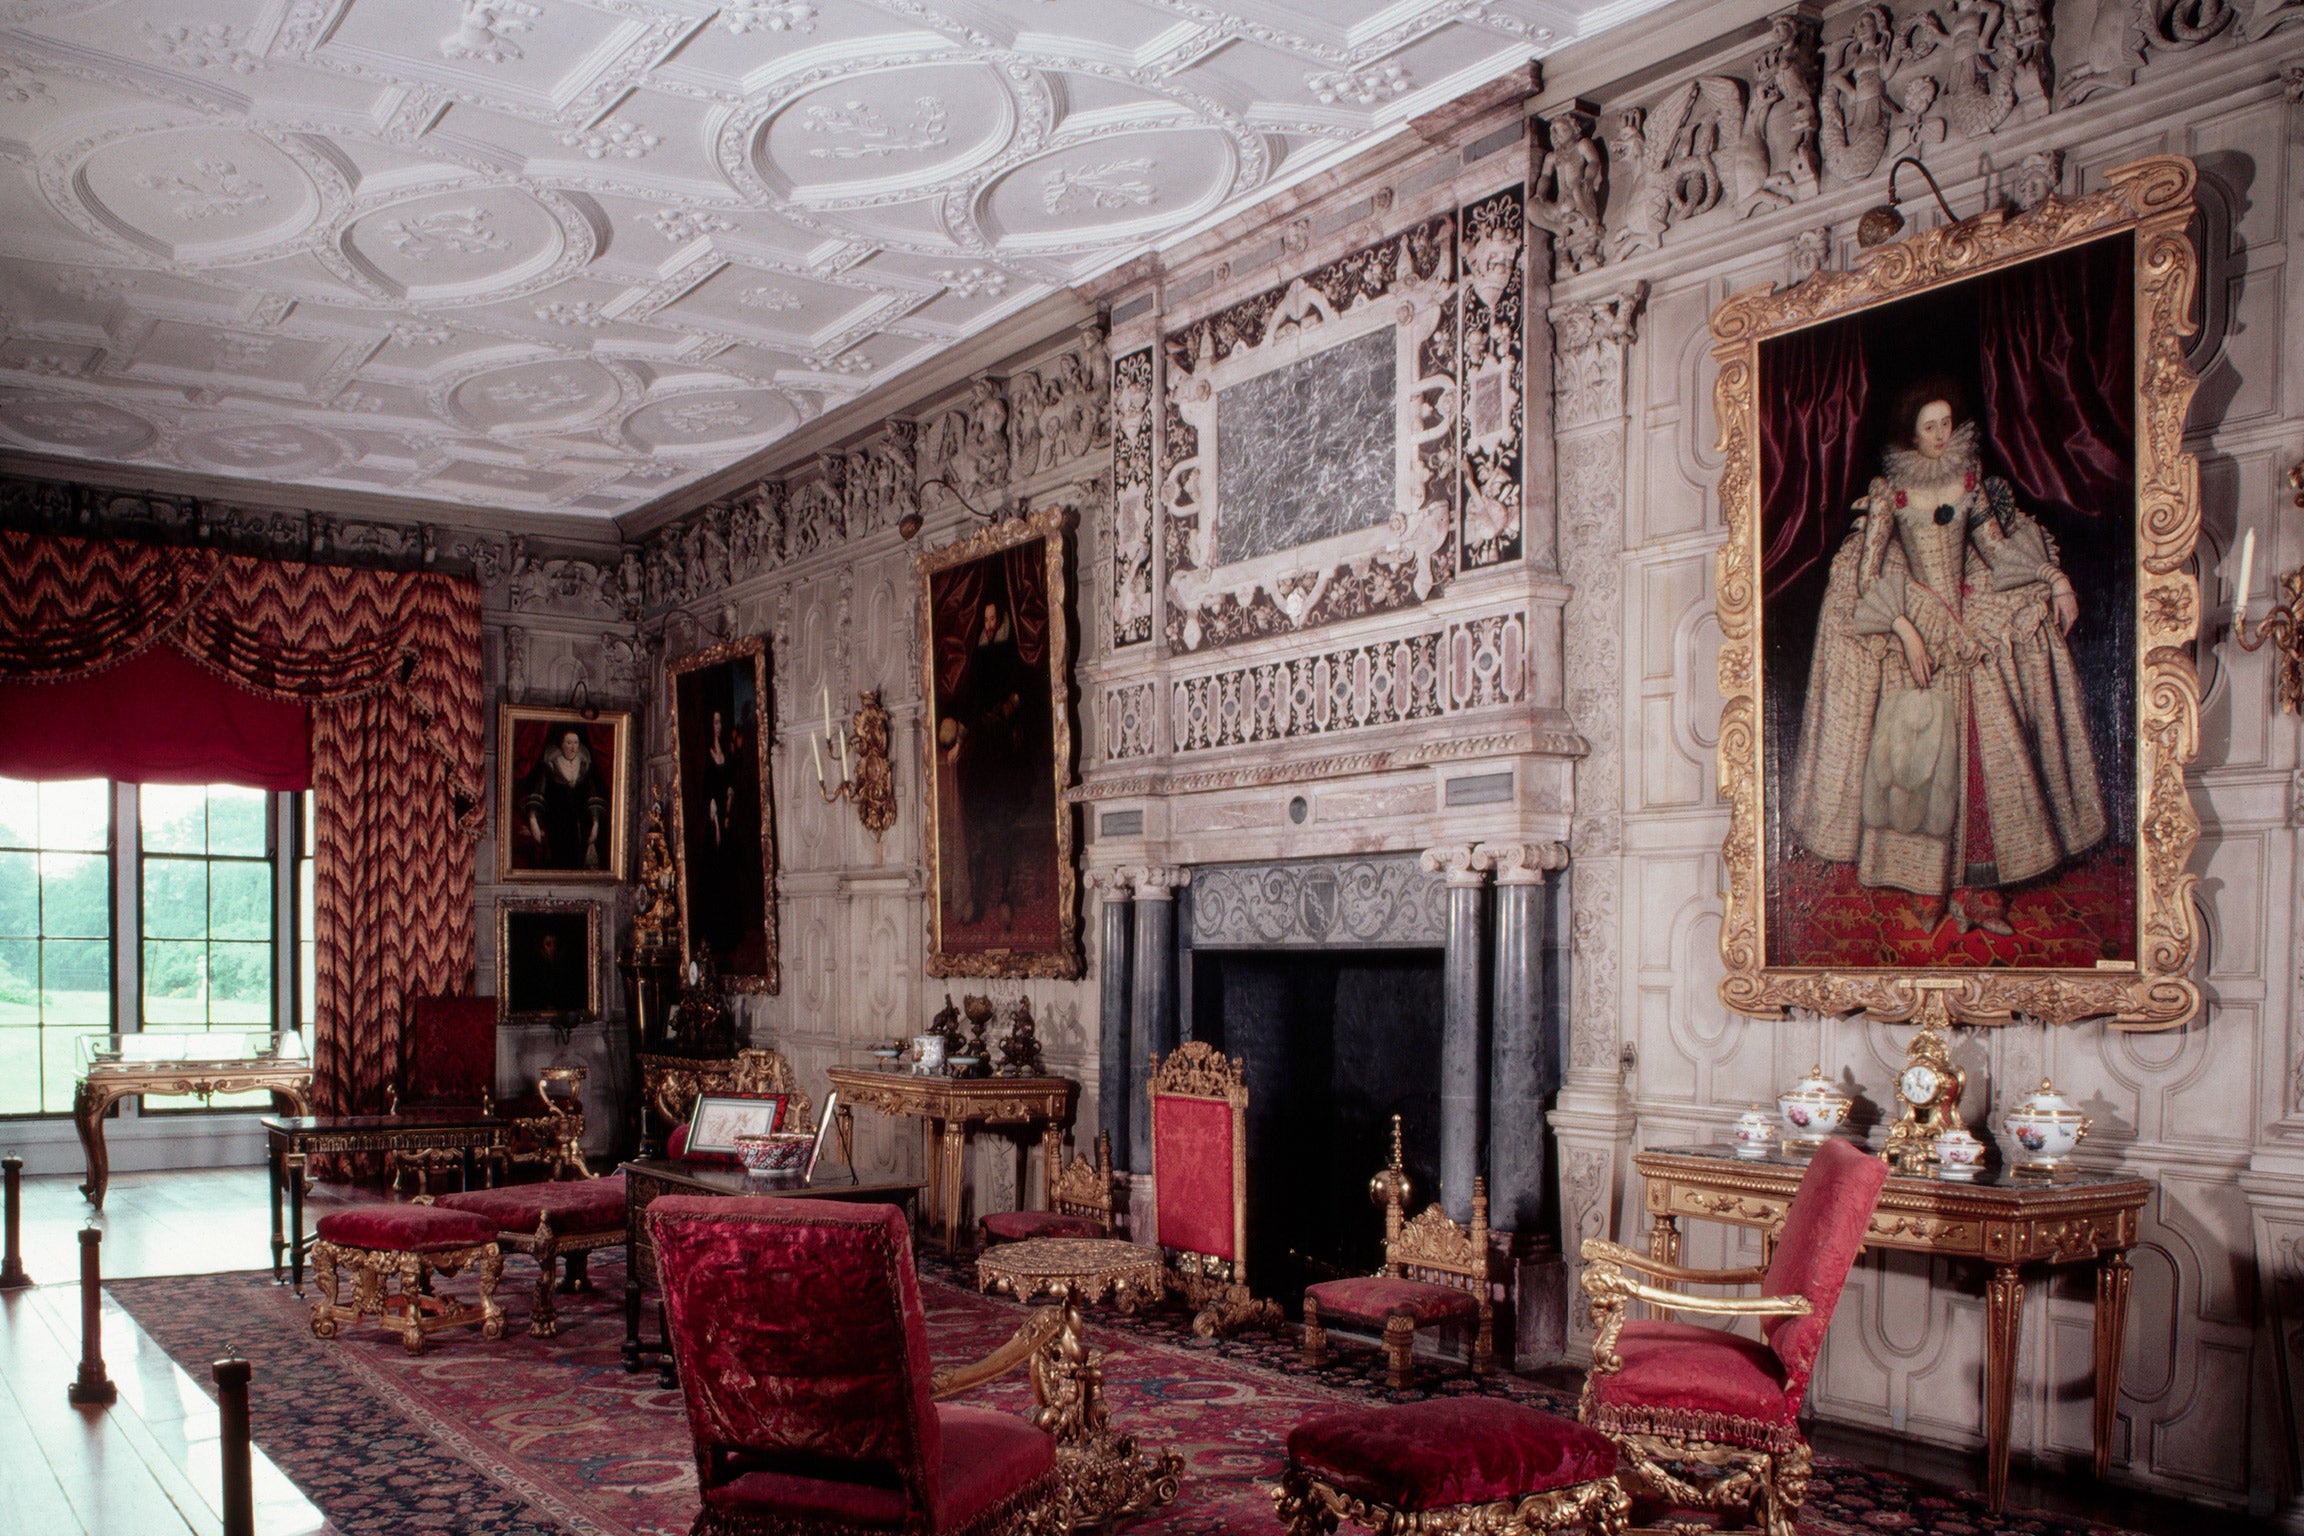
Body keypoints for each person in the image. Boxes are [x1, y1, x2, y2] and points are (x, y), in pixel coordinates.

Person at [1786, 378, 2106, 936]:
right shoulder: (1891, 491)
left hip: (1968, 618)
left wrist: (2055, 578)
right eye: (1929, 426)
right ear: (1911, 433)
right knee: (1917, 761)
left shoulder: (1969, 481)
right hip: (1916, 621)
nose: (1940, 434)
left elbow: (1998, 551)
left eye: (1946, 423)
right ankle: (1926, 884)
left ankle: (1981, 887)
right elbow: (1868, 573)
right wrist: (1906, 628)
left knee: (1988, 753)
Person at [938, 595, 1052, 932]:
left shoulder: (1010, 652)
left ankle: (1004, 897)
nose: (988, 625)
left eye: (992, 619)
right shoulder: (976, 659)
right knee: (979, 826)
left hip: (1004, 747)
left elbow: (1022, 692)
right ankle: (974, 897)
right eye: (984, 619)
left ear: (1000, 619)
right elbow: (970, 705)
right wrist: (959, 740)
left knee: (1003, 826)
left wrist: (1009, 707)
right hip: (983, 749)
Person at [521, 725, 609, 871]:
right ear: (561, 745)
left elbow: (593, 795)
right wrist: (533, 819)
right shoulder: (551, 767)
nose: (573, 747)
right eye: (569, 743)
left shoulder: (584, 767)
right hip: (556, 824)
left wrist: (595, 822)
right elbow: (538, 793)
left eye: (575, 743)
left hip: (581, 825)